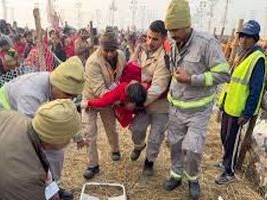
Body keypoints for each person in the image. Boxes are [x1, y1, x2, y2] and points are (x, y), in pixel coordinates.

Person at [0, 56, 85, 198]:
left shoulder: (58, 86)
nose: (69, 100)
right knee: (35, 156)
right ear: (56, 85)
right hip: (2, 117)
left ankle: (54, 187)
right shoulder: (31, 95)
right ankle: (43, 191)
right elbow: (31, 140)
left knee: (56, 151)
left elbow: (67, 113)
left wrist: (77, 135)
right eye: (68, 95)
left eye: (73, 96)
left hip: (24, 116)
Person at [162, 0, 230, 199]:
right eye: (170, 30)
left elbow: (224, 74)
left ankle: (193, 179)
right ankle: (176, 175)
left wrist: (192, 79)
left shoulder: (207, 43)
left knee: (192, 148)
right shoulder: (175, 44)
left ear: (187, 25)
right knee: (174, 144)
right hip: (176, 107)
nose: (172, 34)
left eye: (175, 29)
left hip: (198, 111)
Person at [0, 99, 81, 200]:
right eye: (69, 137)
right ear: (58, 140)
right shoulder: (25, 175)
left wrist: (50, 190)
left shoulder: (15, 118)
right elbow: (27, 177)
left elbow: (40, 159)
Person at [215, 20, 266, 185]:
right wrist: (222, 103)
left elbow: (256, 90)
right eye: (242, 36)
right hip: (229, 105)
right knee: (224, 136)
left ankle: (229, 172)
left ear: (255, 39)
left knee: (232, 140)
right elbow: (231, 82)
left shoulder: (258, 59)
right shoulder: (241, 54)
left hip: (239, 110)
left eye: (248, 37)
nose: (243, 40)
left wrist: (247, 112)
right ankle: (224, 162)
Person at [82, 30, 126, 179]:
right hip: (91, 100)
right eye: (105, 50)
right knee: (89, 133)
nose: (109, 54)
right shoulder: (92, 62)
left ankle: (115, 149)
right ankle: (92, 165)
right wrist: (117, 98)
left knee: (111, 128)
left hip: (109, 100)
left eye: (112, 50)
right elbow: (100, 91)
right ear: (100, 47)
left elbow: (124, 75)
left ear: (117, 48)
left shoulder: (121, 56)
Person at [129, 20, 171, 176]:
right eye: (148, 37)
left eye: (155, 39)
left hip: (160, 104)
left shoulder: (166, 57)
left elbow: (158, 87)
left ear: (164, 39)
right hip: (143, 101)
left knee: (155, 137)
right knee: (136, 130)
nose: (150, 42)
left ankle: (149, 162)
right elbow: (132, 69)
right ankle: (139, 146)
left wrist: (138, 104)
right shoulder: (142, 50)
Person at [81, 61, 147, 128]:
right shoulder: (119, 92)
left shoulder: (141, 92)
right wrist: (88, 103)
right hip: (121, 106)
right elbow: (102, 102)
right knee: (125, 122)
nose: (133, 107)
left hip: (135, 105)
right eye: (133, 105)